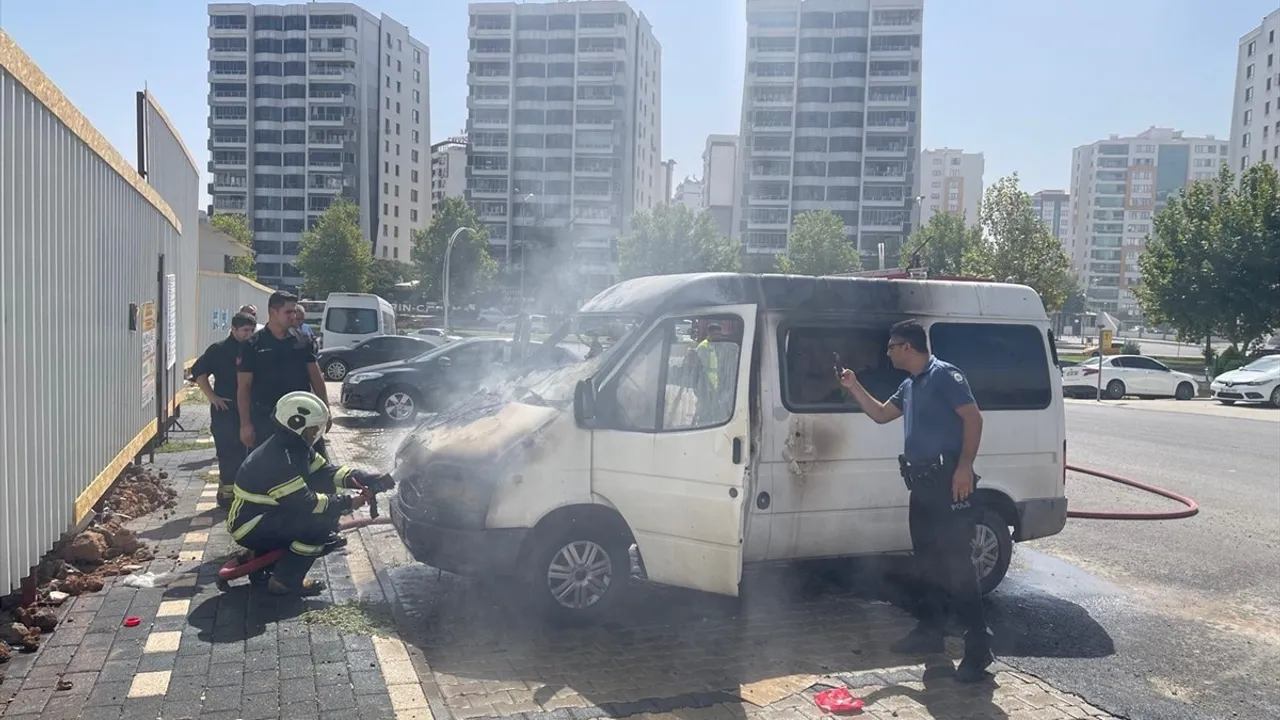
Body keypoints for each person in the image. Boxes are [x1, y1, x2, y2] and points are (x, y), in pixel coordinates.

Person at [838, 319, 994, 683]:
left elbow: (973, 418)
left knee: (957, 566)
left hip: (948, 483)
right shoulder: (910, 385)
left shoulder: (944, 376)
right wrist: (853, 386)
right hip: (921, 487)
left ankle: (979, 647)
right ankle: (931, 631)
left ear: (907, 347)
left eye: (892, 346)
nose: (888, 351)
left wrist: (964, 468)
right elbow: (879, 414)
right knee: (926, 562)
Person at [227, 391, 393, 596]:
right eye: (314, 429)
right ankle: (285, 581)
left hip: (263, 516)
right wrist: (350, 501)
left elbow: (325, 473)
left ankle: (265, 563)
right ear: (300, 427)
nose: (316, 434)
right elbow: (306, 503)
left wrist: (363, 477)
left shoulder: (293, 448)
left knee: (326, 519)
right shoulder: (278, 460)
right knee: (318, 527)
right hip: (250, 525)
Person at [237, 291, 332, 458]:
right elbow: (244, 387)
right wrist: (245, 424)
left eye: (294, 311)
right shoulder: (252, 345)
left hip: (301, 416)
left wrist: (326, 410)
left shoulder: (303, 340)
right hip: (266, 418)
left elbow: (316, 377)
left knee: (315, 466)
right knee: (266, 469)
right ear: (273, 312)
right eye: (288, 312)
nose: (293, 316)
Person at [190, 312, 258, 509]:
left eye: (252, 331)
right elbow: (199, 372)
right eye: (245, 330)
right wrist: (212, 397)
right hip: (226, 410)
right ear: (234, 329)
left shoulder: (254, 348)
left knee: (250, 452)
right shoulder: (219, 350)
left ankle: (246, 494)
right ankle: (227, 497)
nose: (249, 334)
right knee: (229, 453)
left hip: (250, 408)